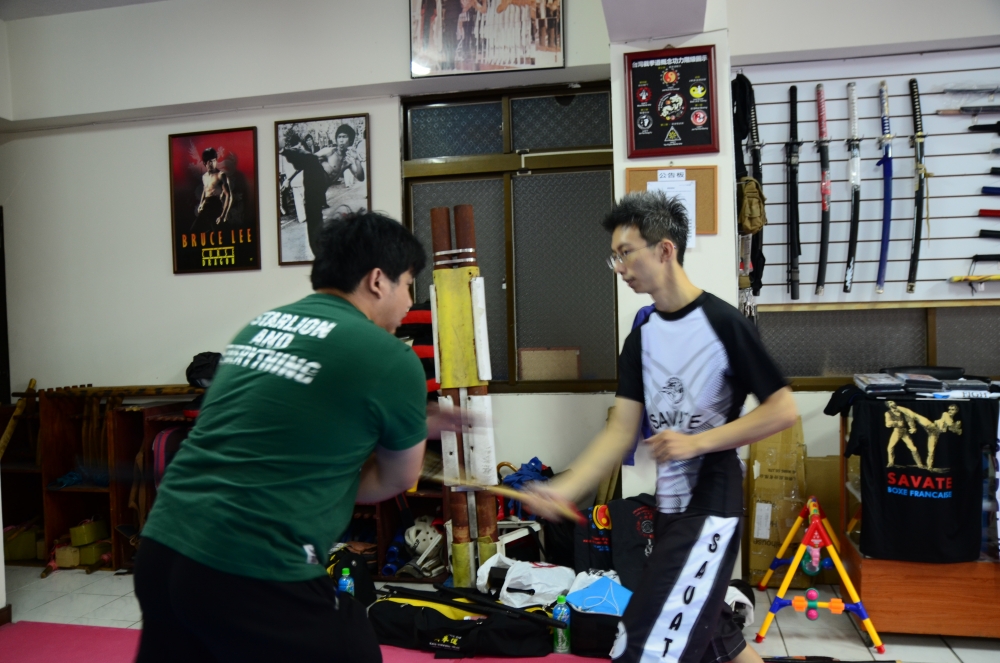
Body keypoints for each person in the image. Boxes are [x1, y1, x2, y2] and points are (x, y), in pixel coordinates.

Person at [135, 211, 442, 662]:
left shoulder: (260, 327)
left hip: (162, 548)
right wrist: (402, 440)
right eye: (409, 284)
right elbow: (395, 479)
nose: (409, 303)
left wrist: (411, 424)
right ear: (378, 280)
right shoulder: (390, 356)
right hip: (251, 566)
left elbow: (275, 428)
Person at [527, 191, 798, 663]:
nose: (620, 267)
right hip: (669, 508)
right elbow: (620, 431)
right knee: (714, 636)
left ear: (665, 250)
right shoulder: (642, 338)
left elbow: (782, 408)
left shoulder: (723, 324)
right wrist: (563, 488)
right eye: (614, 257)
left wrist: (697, 443)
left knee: (644, 641)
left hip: (711, 509)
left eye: (626, 253)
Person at [279, 130, 330, 259]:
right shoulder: (298, 153)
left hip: (297, 180)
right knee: (302, 199)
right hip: (299, 180)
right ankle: (303, 217)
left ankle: (302, 217)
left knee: (301, 200)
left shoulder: (293, 154)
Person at [192, 148, 231, 232]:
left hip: (216, 205)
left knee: (217, 233)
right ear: (205, 163)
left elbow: (228, 195)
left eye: (214, 161)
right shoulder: (204, 177)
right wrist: (201, 204)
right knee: (194, 231)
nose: (212, 164)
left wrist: (223, 215)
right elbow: (205, 190)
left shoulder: (221, 175)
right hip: (206, 205)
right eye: (210, 161)